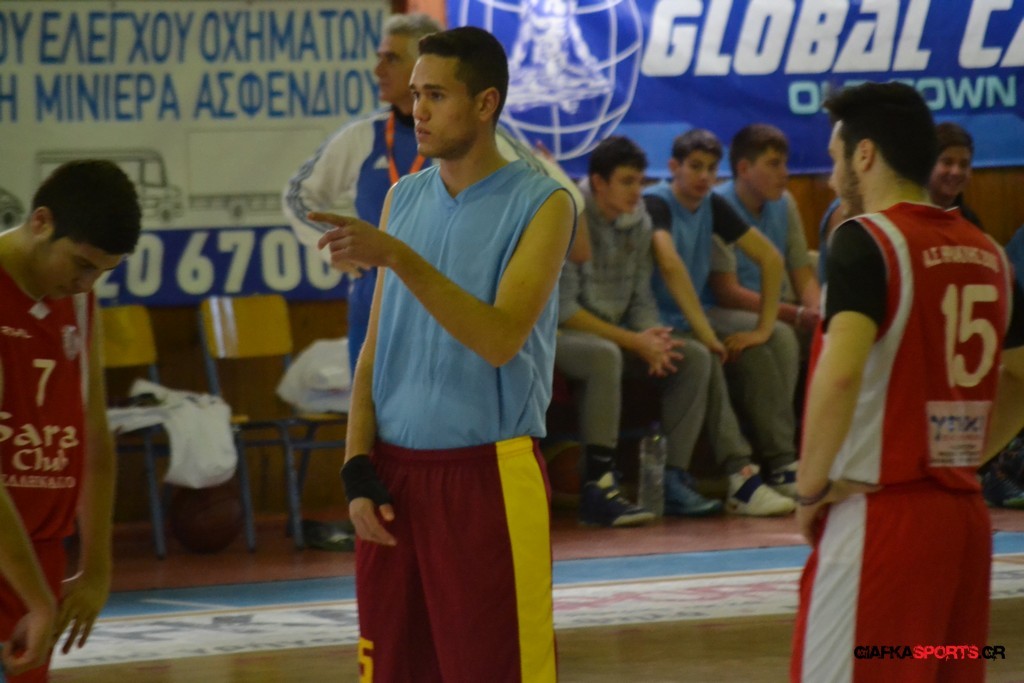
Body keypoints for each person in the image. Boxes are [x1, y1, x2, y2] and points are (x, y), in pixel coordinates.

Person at [312, 27, 573, 681]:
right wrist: (355, 464)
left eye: (436, 94)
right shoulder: (403, 197)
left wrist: (399, 256)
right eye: (415, 92)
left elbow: (500, 338)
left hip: (486, 478)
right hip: (394, 478)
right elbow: (375, 348)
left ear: (485, 103)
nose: (418, 108)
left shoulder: (544, 203)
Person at [791, 81, 1024, 682]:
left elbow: (840, 375)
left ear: (865, 154)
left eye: (836, 158)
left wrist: (810, 489)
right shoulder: (990, 253)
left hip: (881, 518)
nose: (830, 177)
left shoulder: (865, 239)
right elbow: (1023, 380)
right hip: (964, 523)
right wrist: (961, 455)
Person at [283, 13, 587, 374]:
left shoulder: (482, 139)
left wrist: (518, 269)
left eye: (391, 58)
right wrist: (335, 249)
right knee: (370, 398)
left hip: (452, 315)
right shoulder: (363, 137)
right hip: (374, 306)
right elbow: (298, 197)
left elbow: (567, 199)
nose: (378, 70)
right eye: (418, 95)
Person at [0, 160, 142, 681]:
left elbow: (94, 440)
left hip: (39, 556)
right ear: (41, 222)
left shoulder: (78, 305)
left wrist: (97, 569)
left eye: (102, 272)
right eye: (81, 264)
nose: (86, 284)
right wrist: (39, 599)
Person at [556, 136, 722, 526]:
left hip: (617, 332)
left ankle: (673, 479)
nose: (637, 191)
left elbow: (640, 298)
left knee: (692, 356)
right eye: (627, 182)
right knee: (604, 356)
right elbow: (564, 311)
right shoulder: (569, 215)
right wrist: (635, 341)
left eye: (641, 181)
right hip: (560, 335)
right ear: (599, 183)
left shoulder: (640, 219)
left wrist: (654, 339)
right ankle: (598, 487)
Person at [644, 129, 798, 516]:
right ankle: (740, 476)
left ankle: (782, 463)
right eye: (695, 167)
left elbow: (771, 259)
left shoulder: (711, 203)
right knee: (707, 356)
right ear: (673, 167)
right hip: (656, 318)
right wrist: (706, 334)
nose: (704, 177)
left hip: (693, 315)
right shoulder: (656, 202)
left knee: (760, 347)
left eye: (712, 169)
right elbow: (669, 264)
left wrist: (761, 329)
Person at [710, 124, 821, 345]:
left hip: (778, 304)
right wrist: (796, 315)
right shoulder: (718, 205)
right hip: (728, 309)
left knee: (829, 329)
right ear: (744, 169)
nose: (785, 173)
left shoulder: (784, 201)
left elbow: (802, 271)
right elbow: (728, 293)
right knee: (781, 336)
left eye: (785, 164)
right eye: (774, 164)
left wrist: (818, 311)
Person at [928, 121, 984, 229]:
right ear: (928, 164)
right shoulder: (908, 218)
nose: (956, 172)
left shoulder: (970, 222)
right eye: (947, 162)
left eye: (964, 164)